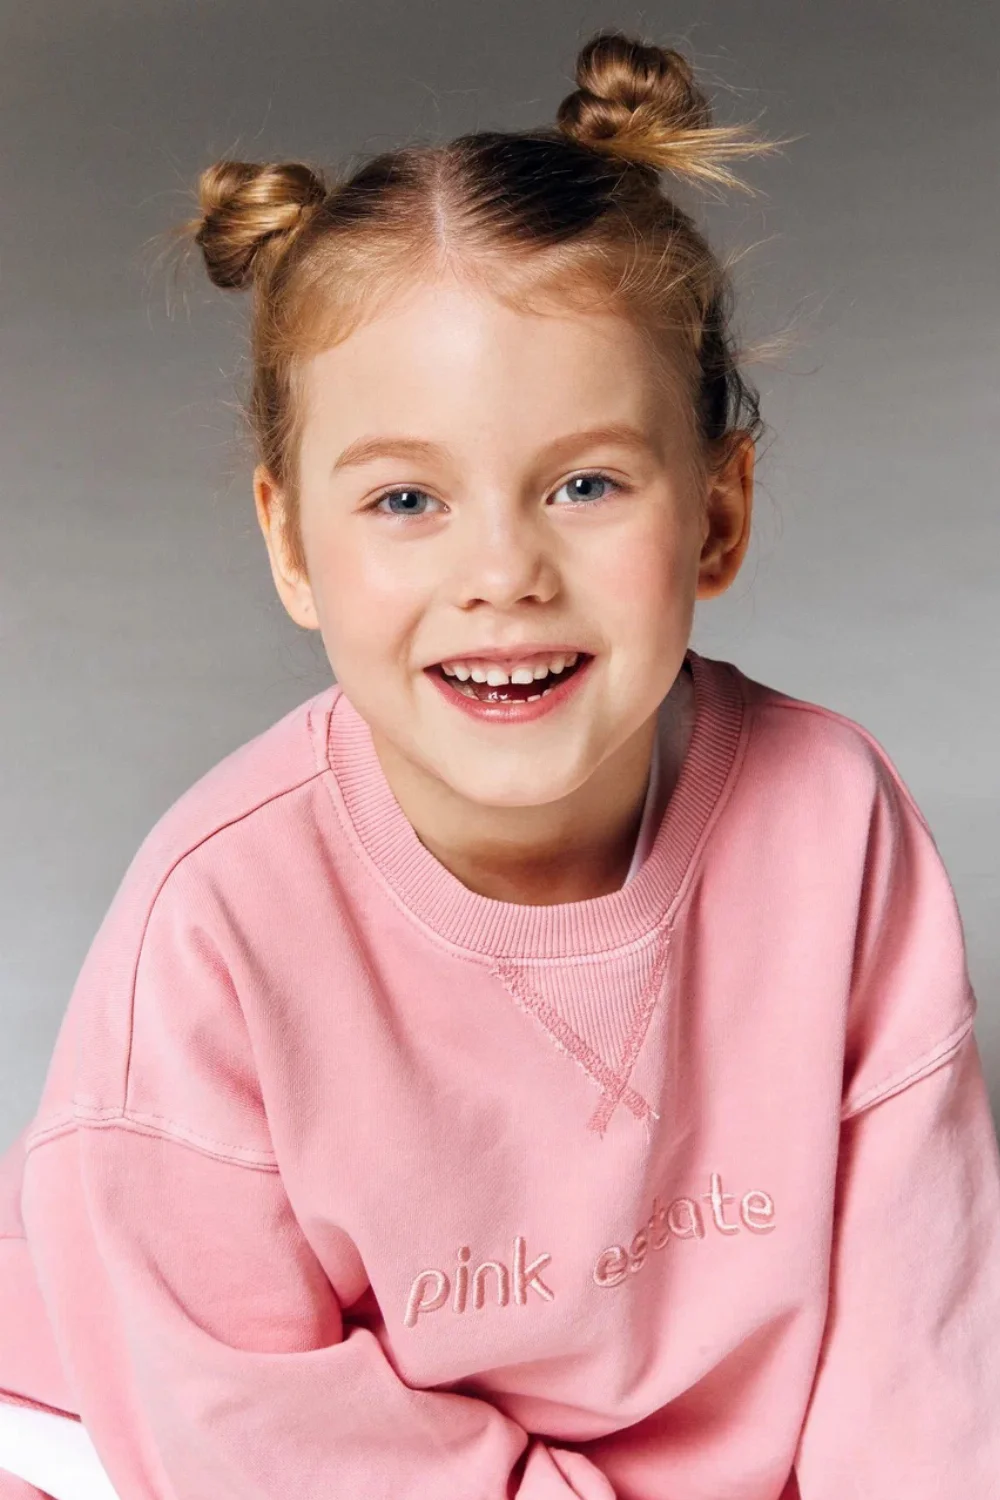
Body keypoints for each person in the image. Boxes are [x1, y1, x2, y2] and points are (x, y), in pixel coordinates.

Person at [1, 26, 998, 1500]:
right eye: (407, 500)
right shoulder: (216, 929)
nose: (503, 575)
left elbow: (923, 1338)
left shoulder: (833, 826)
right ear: (291, 543)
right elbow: (243, 1418)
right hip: (162, 1430)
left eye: (585, 484)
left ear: (718, 515)